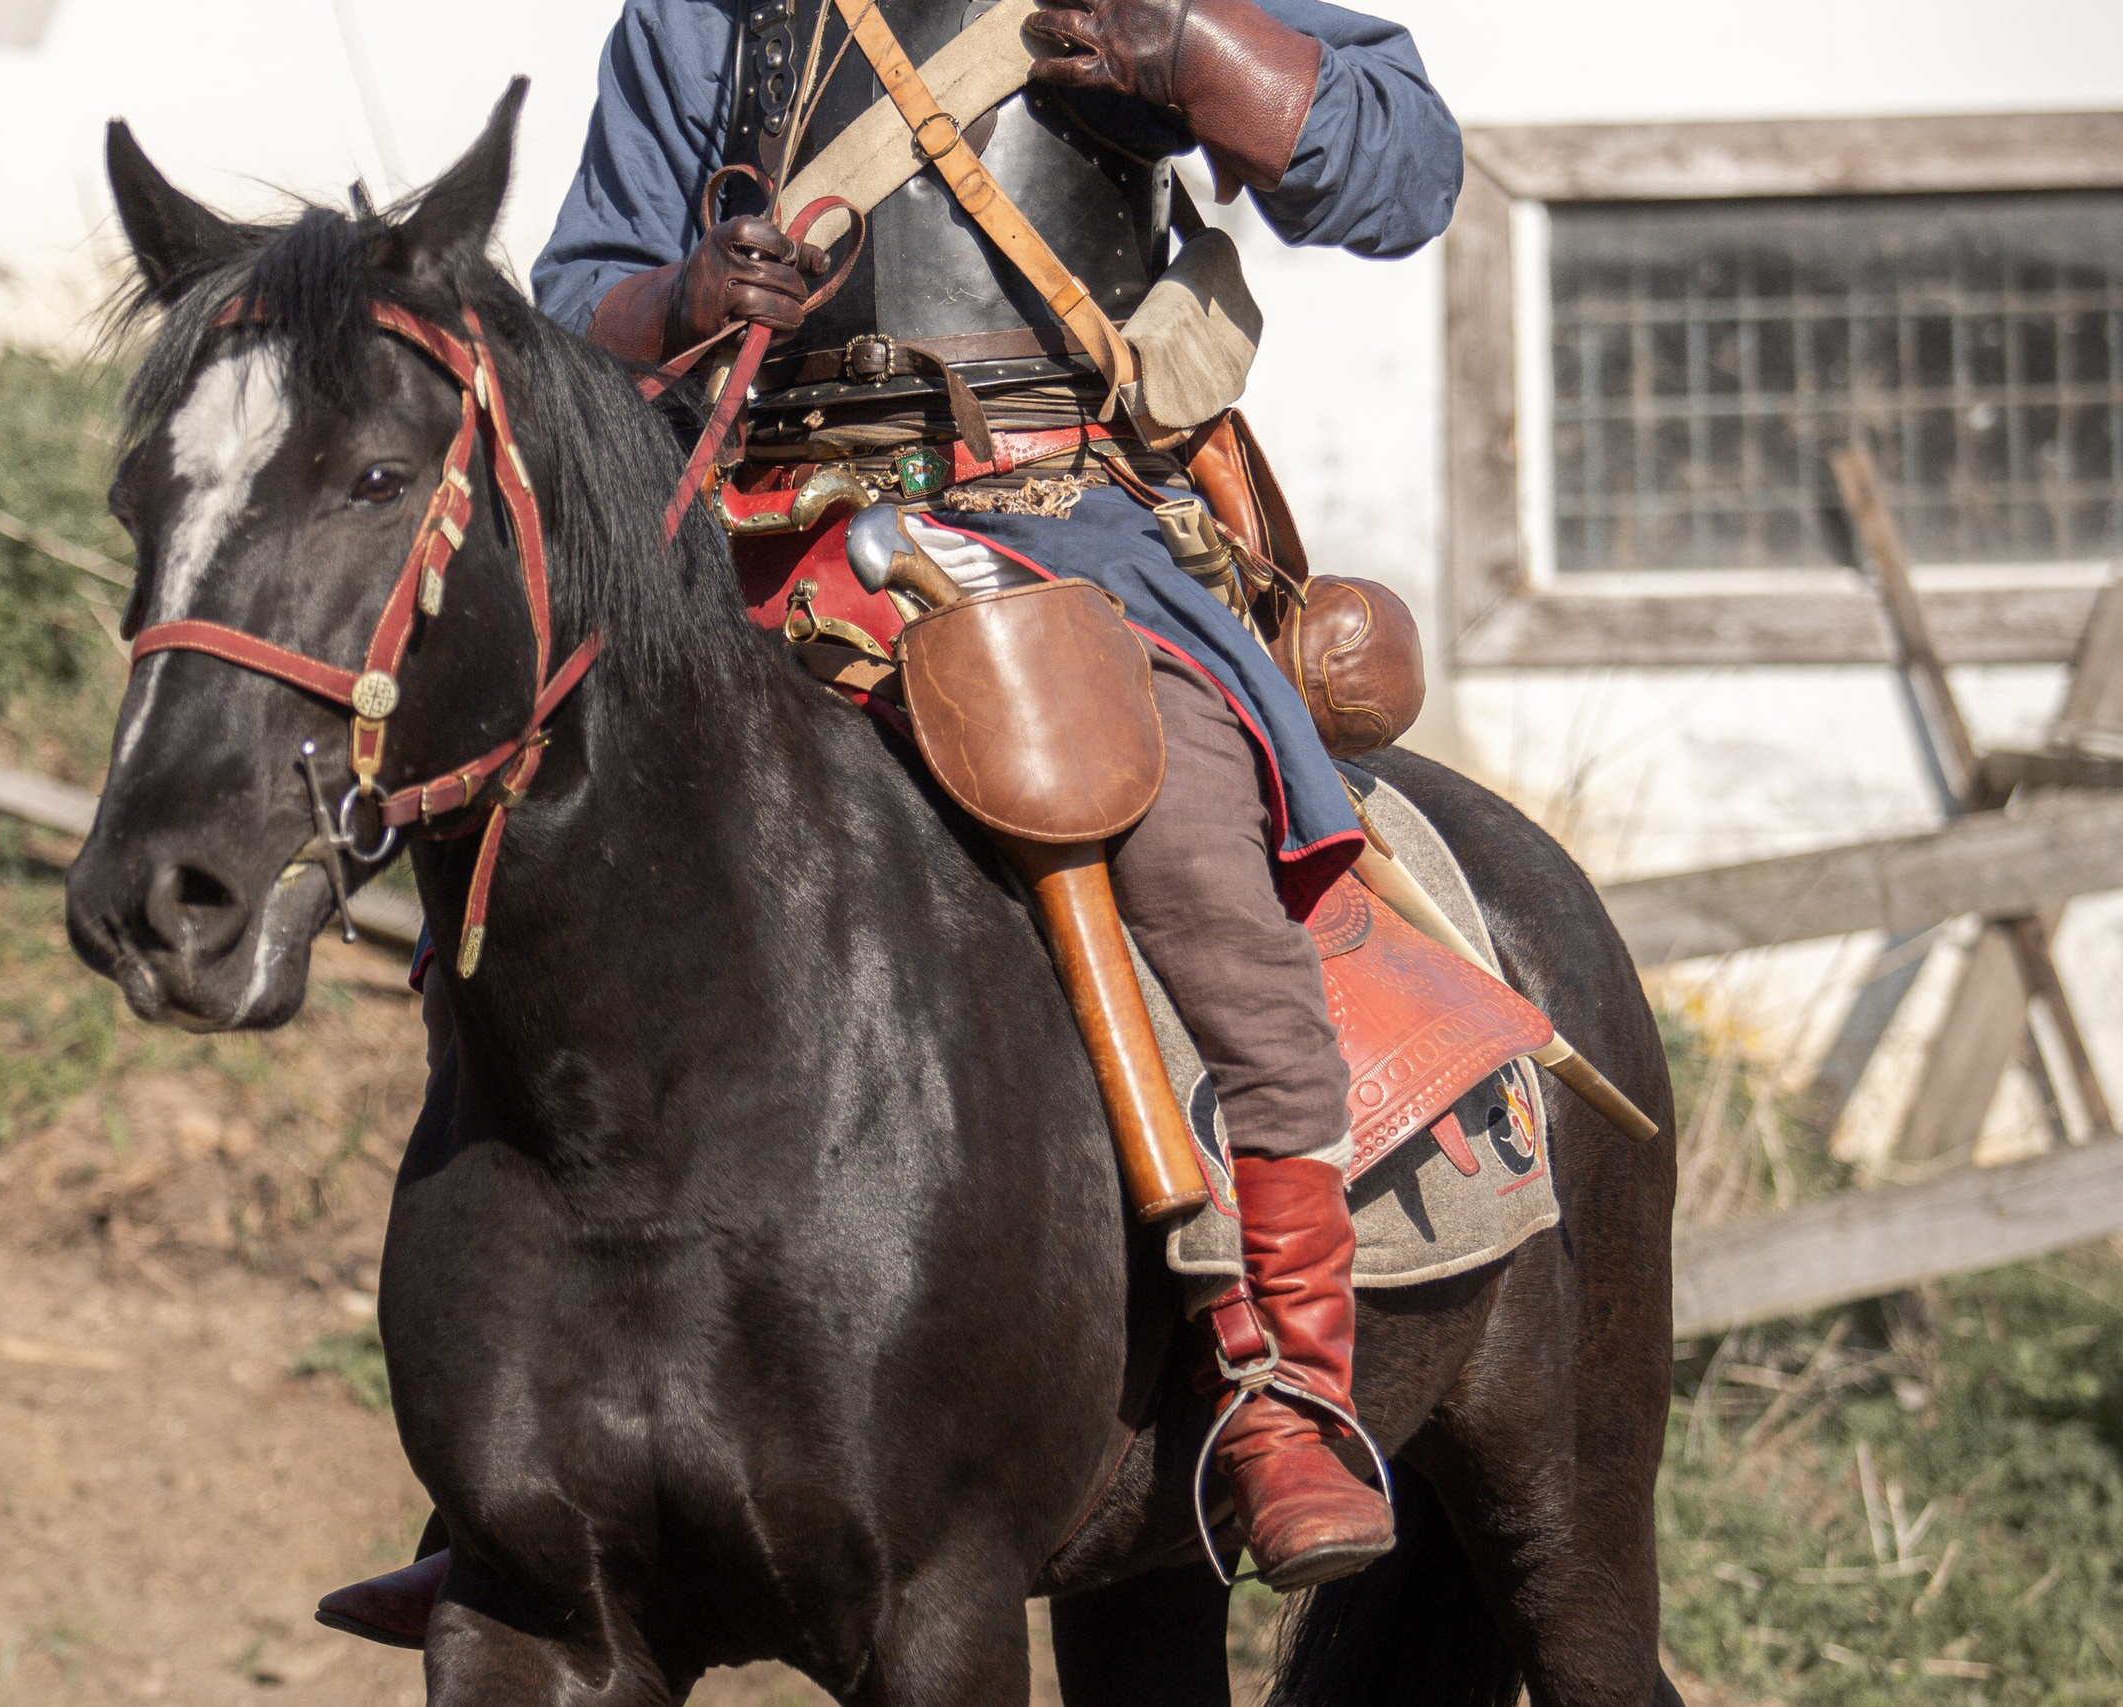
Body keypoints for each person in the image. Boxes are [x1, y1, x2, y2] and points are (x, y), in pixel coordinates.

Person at [316, 0, 1462, 1649]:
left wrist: (1195, 53)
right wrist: (683, 300)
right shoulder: (699, 14)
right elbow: (578, 296)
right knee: (517, 888)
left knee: (1199, 878)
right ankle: (516, 1466)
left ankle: (1285, 1376)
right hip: (739, 541)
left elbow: (1406, 170)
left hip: (1048, 517)